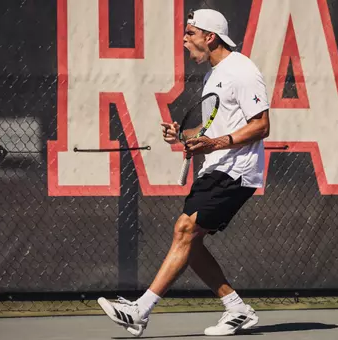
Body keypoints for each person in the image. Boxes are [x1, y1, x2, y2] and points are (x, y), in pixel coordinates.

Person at [97, 8, 270, 337]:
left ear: (210, 36)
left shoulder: (242, 70)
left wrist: (214, 143)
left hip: (237, 171)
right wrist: (183, 136)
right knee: (190, 243)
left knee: (185, 230)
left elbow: (261, 125)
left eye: (190, 33)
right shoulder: (213, 75)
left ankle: (140, 310)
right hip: (215, 168)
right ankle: (237, 309)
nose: (184, 40)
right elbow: (210, 129)